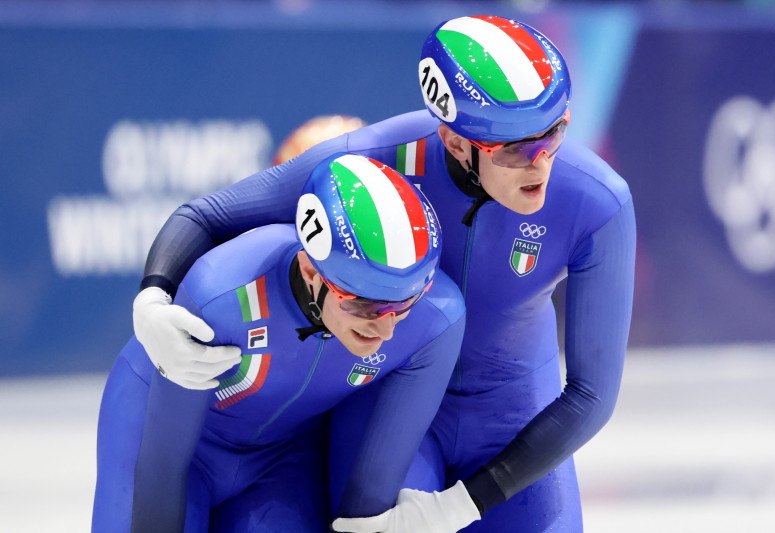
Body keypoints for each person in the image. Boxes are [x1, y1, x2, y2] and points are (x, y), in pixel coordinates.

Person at [132, 14, 636, 532]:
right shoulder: (375, 160)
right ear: (456, 142)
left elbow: (592, 395)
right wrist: (152, 301)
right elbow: (206, 217)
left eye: (554, 133)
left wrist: (465, 504)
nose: (542, 163)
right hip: (394, 407)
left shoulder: (599, 200)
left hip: (514, 410)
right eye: (516, 148)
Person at [92, 154, 465, 531]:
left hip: (281, 456)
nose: (385, 331)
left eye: (402, 305)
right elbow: (164, 464)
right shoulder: (220, 297)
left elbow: (366, 512)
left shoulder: (436, 318)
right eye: (364, 305)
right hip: (161, 433)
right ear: (310, 272)